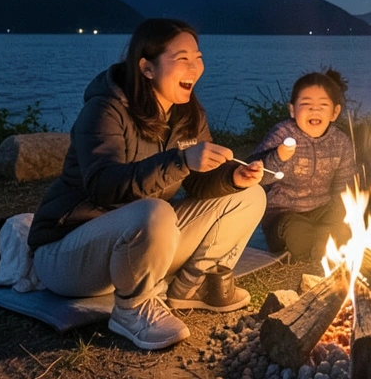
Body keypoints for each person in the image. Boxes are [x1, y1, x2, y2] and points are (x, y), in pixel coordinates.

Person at [28, 18, 266, 351]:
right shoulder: (105, 110)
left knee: (249, 196)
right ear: (147, 67)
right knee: (155, 211)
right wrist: (181, 161)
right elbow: (103, 186)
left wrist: (231, 177)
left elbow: (199, 185)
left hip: (138, 242)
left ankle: (189, 288)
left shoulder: (187, 115)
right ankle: (132, 309)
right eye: (182, 58)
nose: (195, 67)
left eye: (198, 57)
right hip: (68, 254)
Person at [250, 69, 358, 261]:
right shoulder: (282, 134)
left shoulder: (340, 142)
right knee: (296, 233)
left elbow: (345, 184)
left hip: (321, 209)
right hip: (283, 215)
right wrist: (278, 157)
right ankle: (320, 247)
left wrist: (343, 214)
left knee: (344, 225)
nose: (314, 110)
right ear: (292, 109)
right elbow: (256, 176)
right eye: (306, 104)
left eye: (323, 105)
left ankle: (321, 242)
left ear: (335, 112)